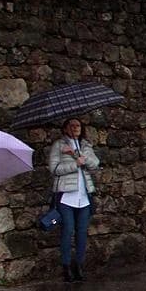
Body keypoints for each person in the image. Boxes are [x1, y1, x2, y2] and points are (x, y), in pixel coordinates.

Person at [49, 118, 100, 282]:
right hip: (66, 196)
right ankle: (66, 266)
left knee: (82, 232)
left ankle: (79, 265)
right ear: (65, 129)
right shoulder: (58, 146)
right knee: (68, 230)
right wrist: (74, 164)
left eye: (78, 125)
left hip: (83, 197)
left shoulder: (85, 145)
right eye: (72, 126)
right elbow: (54, 168)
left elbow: (95, 164)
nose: (75, 128)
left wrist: (77, 155)